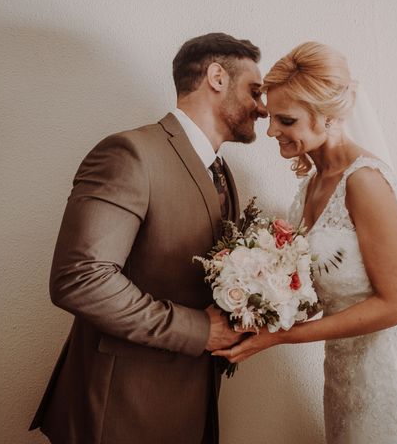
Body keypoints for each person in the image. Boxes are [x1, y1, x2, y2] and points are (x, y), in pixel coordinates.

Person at [214, 42, 397, 443]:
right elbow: (313, 289)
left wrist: (279, 337)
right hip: (344, 378)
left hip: (390, 382)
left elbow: (396, 305)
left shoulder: (365, 182)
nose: (271, 130)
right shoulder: (311, 185)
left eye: (286, 119)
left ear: (328, 117)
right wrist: (251, 309)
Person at [29, 32, 268, 444]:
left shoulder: (222, 172)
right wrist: (197, 330)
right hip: (120, 409)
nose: (263, 108)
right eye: (255, 90)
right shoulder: (130, 153)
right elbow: (80, 278)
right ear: (216, 77)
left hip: (190, 406)